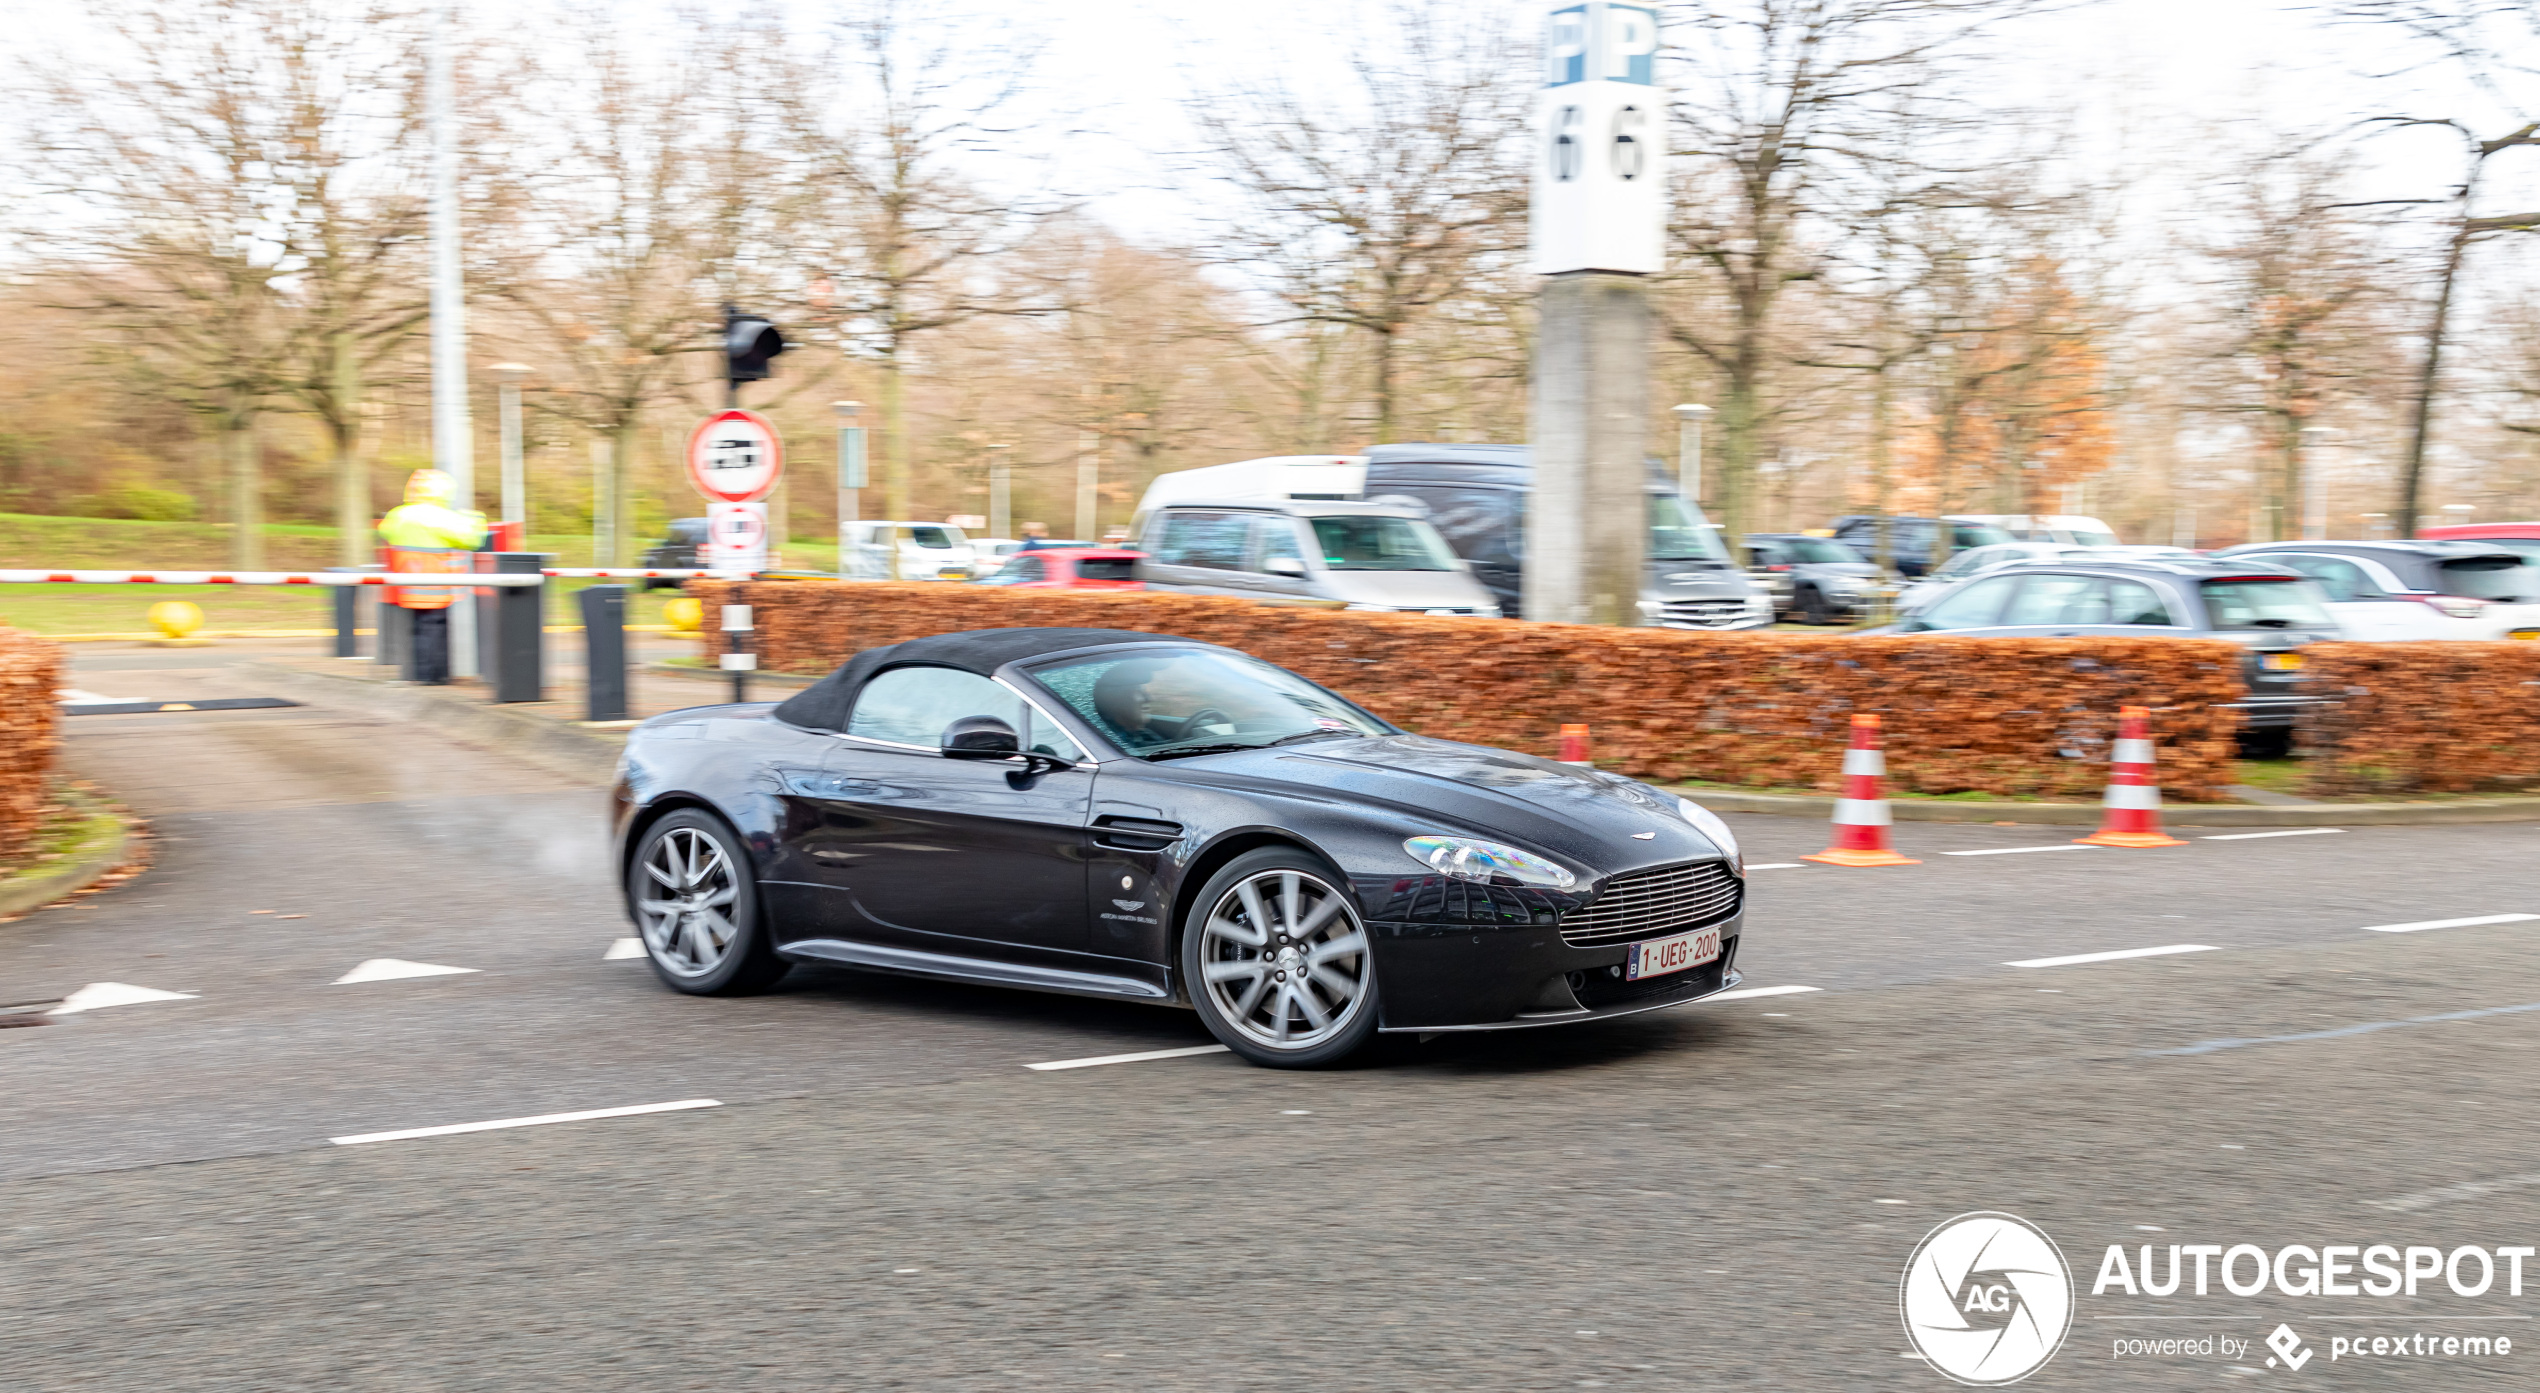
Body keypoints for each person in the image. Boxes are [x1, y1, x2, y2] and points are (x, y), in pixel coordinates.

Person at [379, 468, 488, 684]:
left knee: (419, 630)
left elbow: (386, 532)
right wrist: (475, 519)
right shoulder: (439, 517)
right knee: (434, 631)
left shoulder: (399, 515)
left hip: (408, 584)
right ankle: (433, 678)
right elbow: (470, 539)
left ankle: (422, 674)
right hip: (436, 585)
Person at [1091, 659, 1171, 749]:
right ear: (1115, 699)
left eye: (1144, 691)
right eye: (1138, 691)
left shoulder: (1141, 734)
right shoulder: (1107, 743)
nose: (1149, 698)